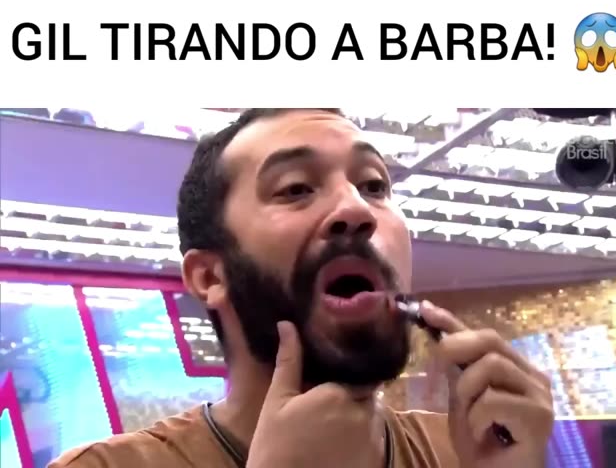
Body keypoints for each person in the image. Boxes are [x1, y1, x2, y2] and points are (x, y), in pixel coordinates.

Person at [49, 108, 554, 468]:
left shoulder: (466, 452)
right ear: (211, 277)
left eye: (374, 186)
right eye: (295, 188)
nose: (357, 208)